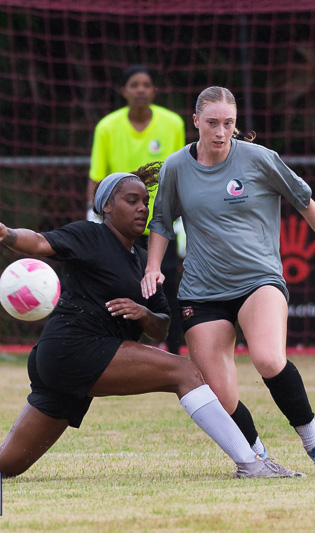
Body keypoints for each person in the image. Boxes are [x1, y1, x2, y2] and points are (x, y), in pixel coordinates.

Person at [0, 164, 301, 479]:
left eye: (145, 202)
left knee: (6, 464)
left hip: (69, 361)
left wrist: (144, 313)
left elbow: (162, 329)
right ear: (106, 206)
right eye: (131, 201)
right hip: (74, 347)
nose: (141, 209)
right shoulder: (90, 235)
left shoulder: (144, 261)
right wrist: (8, 236)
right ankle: (251, 464)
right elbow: (40, 243)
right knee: (186, 372)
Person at [140, 87, 315, 478]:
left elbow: (304, 201)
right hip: (201, 290)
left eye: (228, 123)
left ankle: (314, 443)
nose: (221, 131)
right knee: (219, 392)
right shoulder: (177, 166)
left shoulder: (260, 160)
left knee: (267, 358)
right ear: (196, 122)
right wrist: (153, 267)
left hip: (258, 280)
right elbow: (162, 220)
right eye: (212, 123)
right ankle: (257, 453)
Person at [88, 64, 185, 355]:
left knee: (166, 286)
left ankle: (175, 349)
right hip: (118, 227)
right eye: (134, 84)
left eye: (146, 84)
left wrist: (182, 217)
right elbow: (96, 176)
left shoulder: (172, 124)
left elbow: (181, 171)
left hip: (161, 223)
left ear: (154, 90)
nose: (140, 89)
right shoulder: (106, 127)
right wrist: (95, 215)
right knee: (116, 286)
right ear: (124, 90)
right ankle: (116, 347)